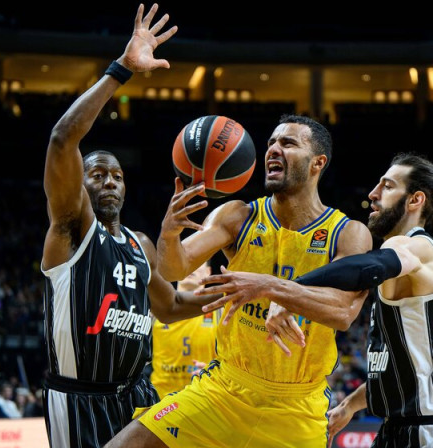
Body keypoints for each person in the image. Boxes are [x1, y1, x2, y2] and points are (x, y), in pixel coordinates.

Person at [104, 114, 373, 447]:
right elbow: (175, 269)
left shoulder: (348, 234)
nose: (274, 149)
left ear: (318, 162)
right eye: (271, 143)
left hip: (296, 408)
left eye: (288, 143)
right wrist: (169, 234)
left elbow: (342, 312)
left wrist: (268, 286)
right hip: (224, 390)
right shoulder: (237, 215)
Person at [196, 152, 433, 447]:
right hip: (405, 428)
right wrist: (349, 406)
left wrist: (285, 288)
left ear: (415, 200)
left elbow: (370, 266)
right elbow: (409, 372)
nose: (373, 194)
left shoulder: (414, 247)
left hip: (429, 431)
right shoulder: (408, 267)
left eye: (388, 186)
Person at [40, 4, 218, 447]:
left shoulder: (140, 243)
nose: (109, 181)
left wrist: (227, 294)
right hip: (81, 401)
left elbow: (171, 306)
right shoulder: (71, 230)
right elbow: (63, 139)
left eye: (117, 175)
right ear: (79, 184)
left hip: (139, 398)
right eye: (97, 173)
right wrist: (121, 70)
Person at [149, 261, 220, 397]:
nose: (191, 267)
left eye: (197, 263)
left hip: (204, 397)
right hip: (159, 400)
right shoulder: (157, 309)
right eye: (185, 262)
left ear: (208, 272)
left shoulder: (220, 310)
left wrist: (216, 371)